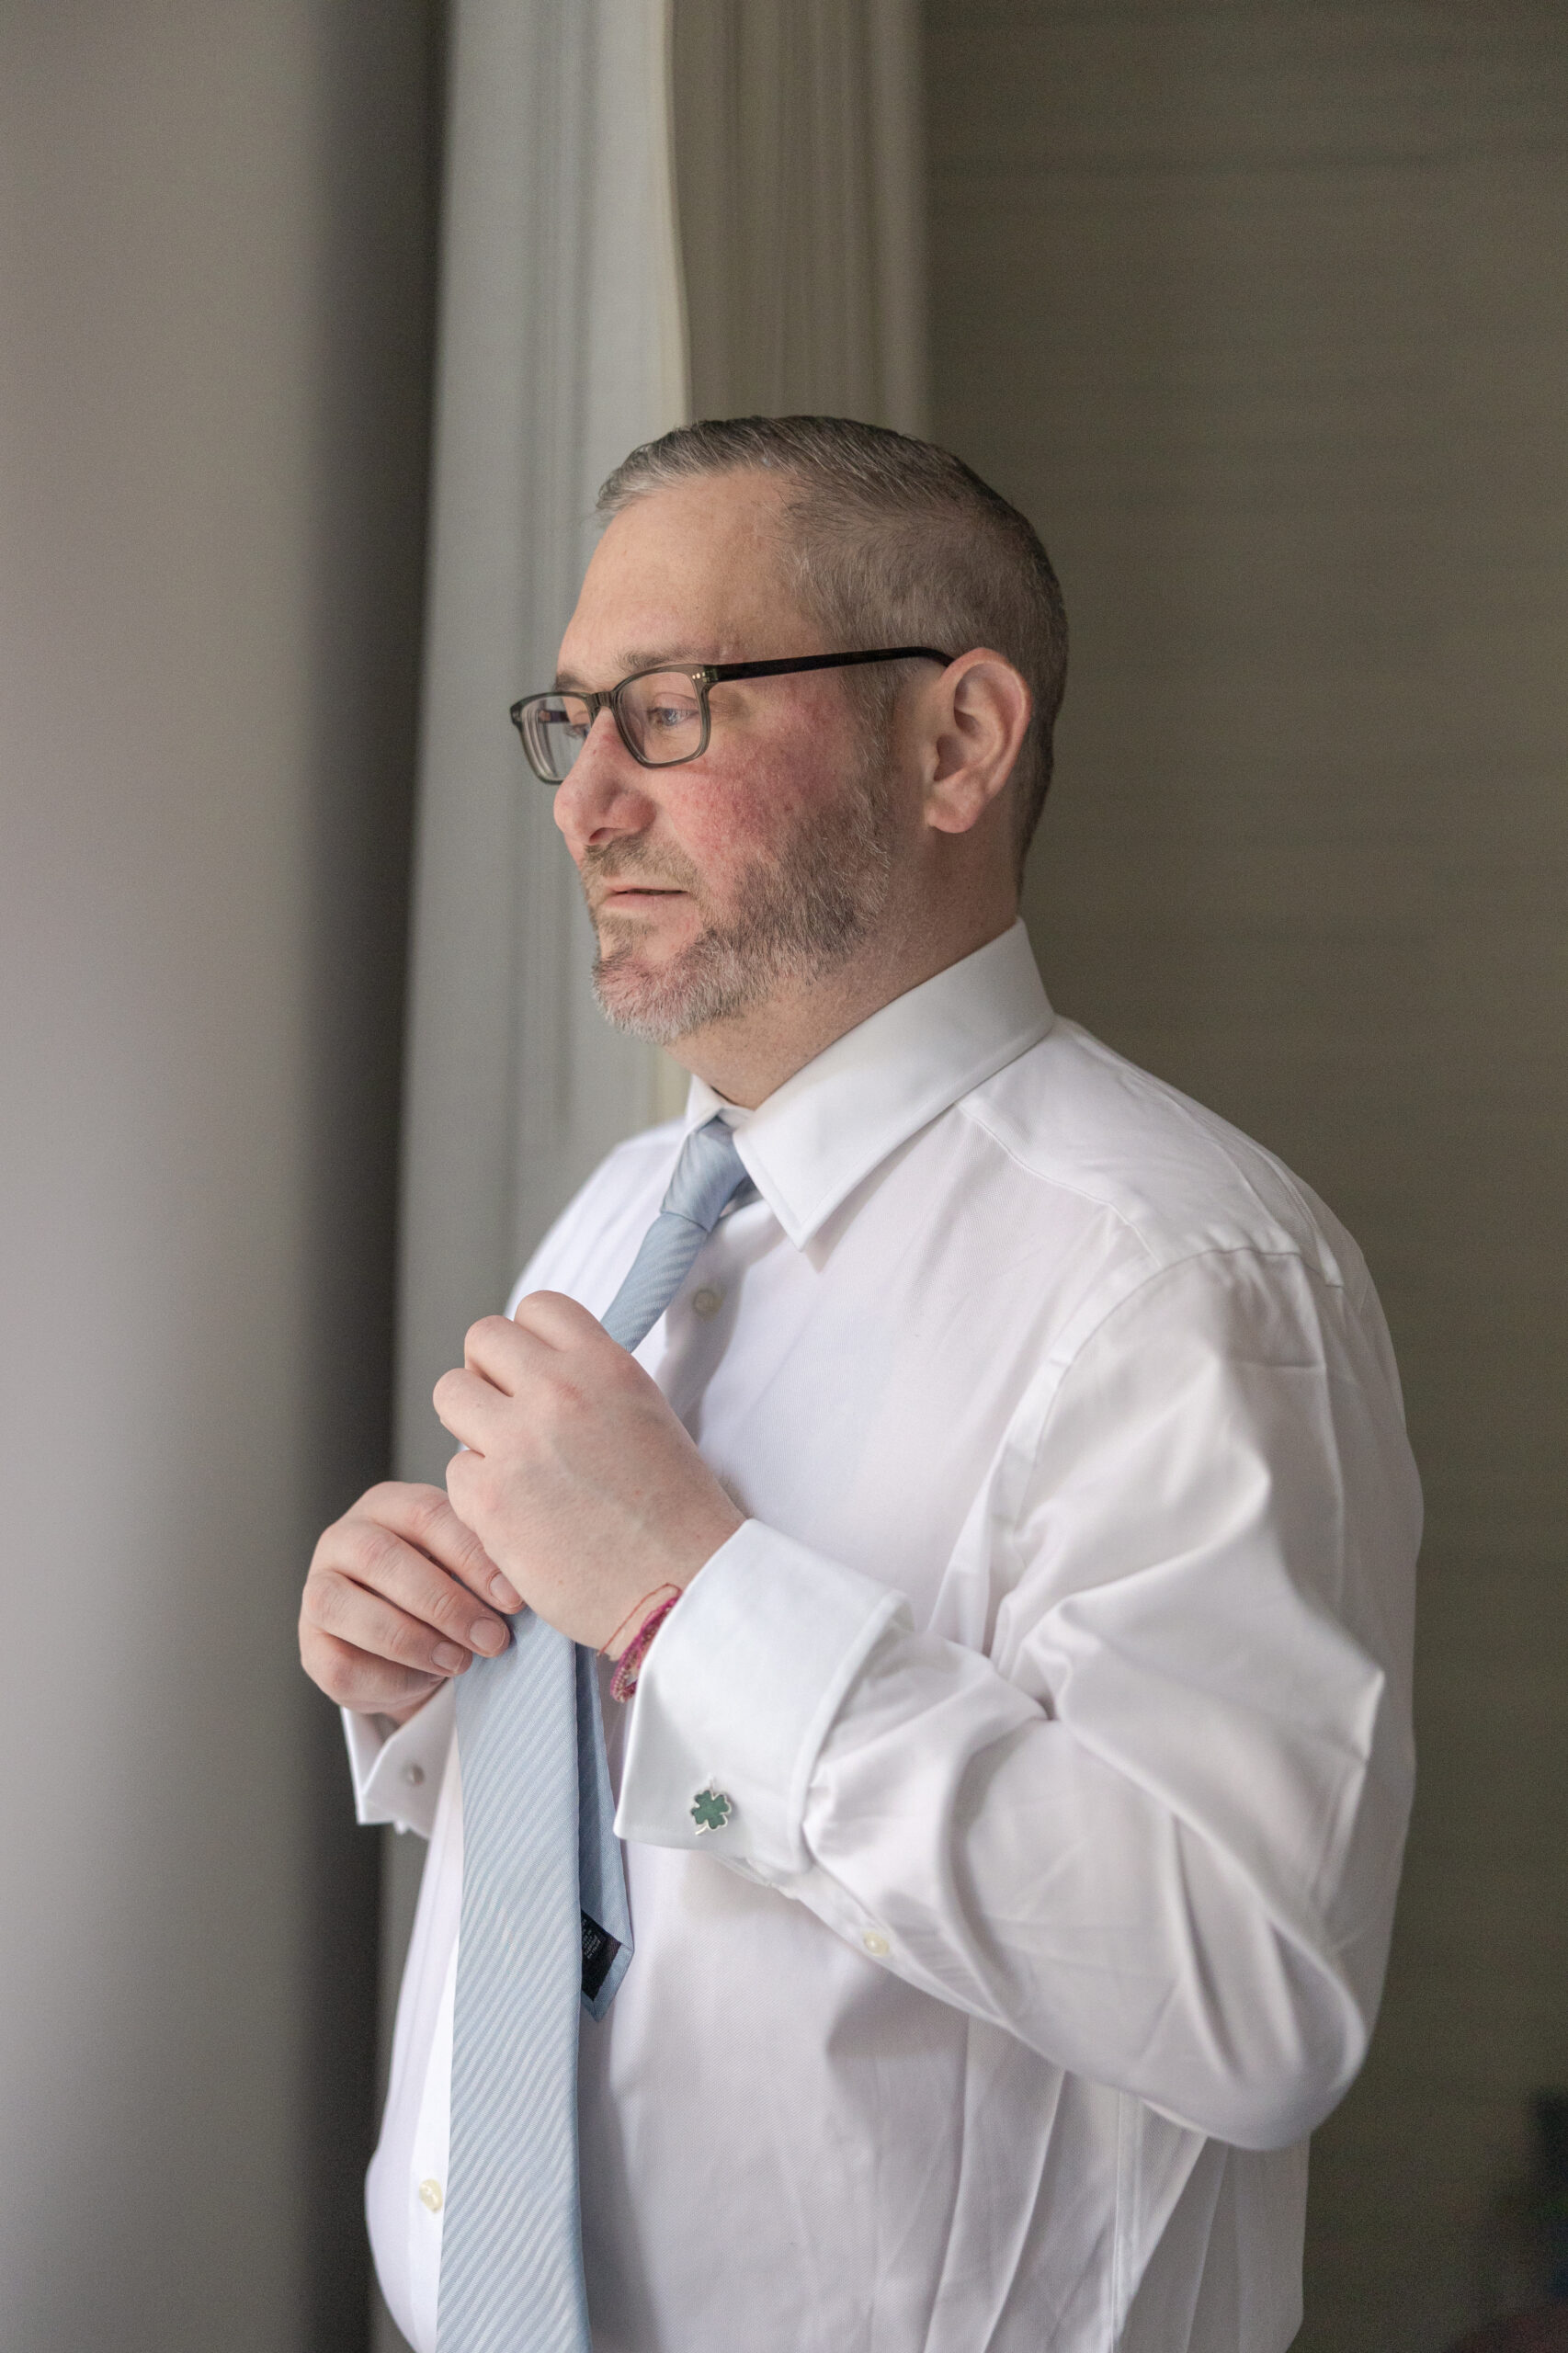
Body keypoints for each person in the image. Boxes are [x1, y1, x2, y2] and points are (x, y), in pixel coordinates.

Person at [299, 415, 1420, 2353]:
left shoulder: (1185, 1278)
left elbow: (1250, 1994)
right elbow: (627, 1843)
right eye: (569, 723)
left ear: (955, 744)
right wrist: (432, 1659)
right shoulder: (626, 1217)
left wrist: (686, 1593)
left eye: (666, 710)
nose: (583, 806)